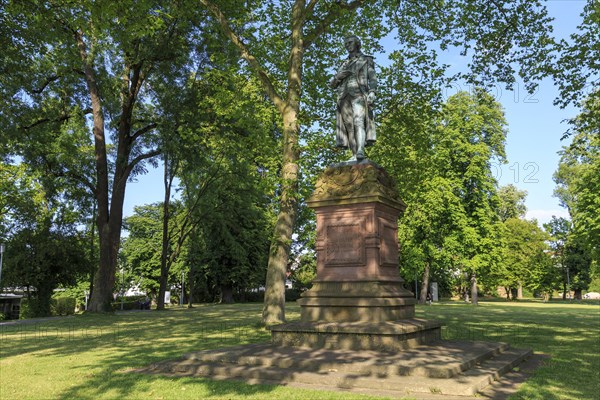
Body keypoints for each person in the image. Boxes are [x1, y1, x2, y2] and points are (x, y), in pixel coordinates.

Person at [329, 35, 377, 162]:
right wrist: (338, 76)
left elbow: (372, 78)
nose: (347, 45)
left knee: (358, 121)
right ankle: (355, 154)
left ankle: (361, 150)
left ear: (357, 43)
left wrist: (372, 92)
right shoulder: (343, 64)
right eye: (346, 44)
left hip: (359, 94)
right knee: (349, 126)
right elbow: (332, 85)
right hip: (344, 96)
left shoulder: (366, 59)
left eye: (350, 42)